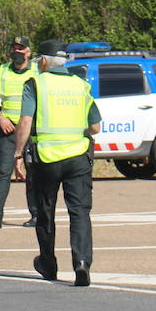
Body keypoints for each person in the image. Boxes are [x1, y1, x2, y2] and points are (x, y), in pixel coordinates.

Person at [13, 39, 101, 286]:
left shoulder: (36, 83)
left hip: (47, 158)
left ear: (42, 60)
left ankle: (48, 264)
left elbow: (25, 122)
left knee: (45, 212)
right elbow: (95, 126)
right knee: (80, 212)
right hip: (78, 158)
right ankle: (82, 263)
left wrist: (18, 154)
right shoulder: (81, 85)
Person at [0, 36, 39, 229]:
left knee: (33, 174)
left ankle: (36, 215)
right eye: (14, 47)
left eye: (21, 48)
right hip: (7, 129)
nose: (17, 51)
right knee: (4, 172)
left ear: (28, 52)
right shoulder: (3, 70)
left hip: (32, 130)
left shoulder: (37, 71)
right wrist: (1, 118)